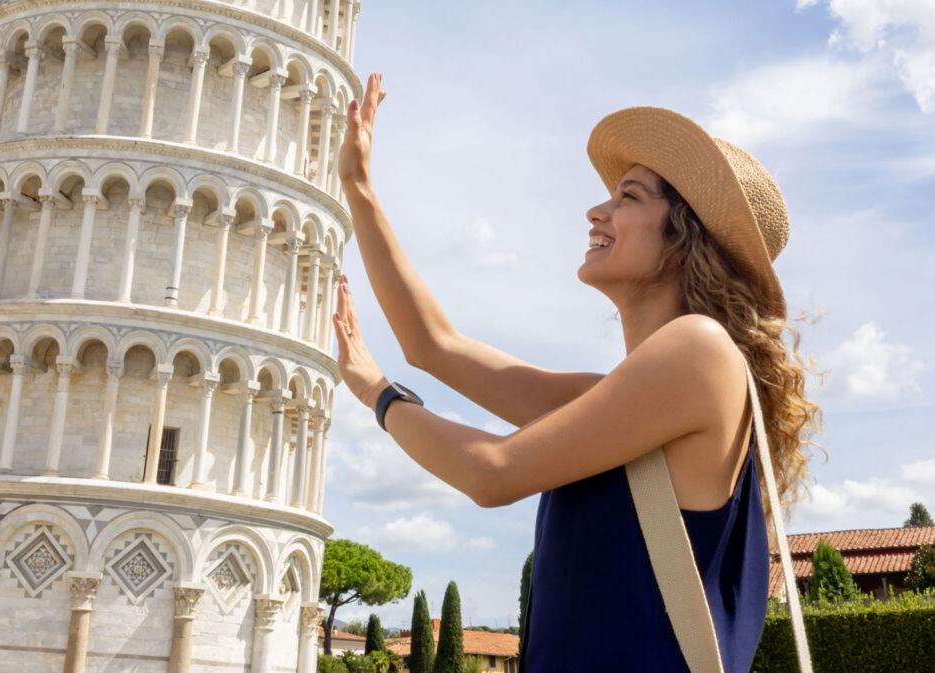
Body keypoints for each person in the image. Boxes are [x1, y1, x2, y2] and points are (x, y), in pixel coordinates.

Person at [330, 74, 822, 672]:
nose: (597, 210)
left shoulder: (701, 351)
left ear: (686, 236)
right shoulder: (620, 401)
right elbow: (432, 345)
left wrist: (378, 396)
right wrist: (358, 187)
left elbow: (490, 473)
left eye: (629, 198)